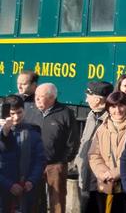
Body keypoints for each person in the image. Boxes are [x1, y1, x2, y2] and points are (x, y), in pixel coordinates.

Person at [23, 83, 80, 213]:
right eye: (36, 96)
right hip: (34, 165)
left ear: (51, 97)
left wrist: (63, 160)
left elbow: (73, 141)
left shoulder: (65, 113)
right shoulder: (30, 111)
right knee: (35, 200)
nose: (36, 99)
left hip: (55, 165)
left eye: (40, 96)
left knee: (57, 201)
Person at [88, 91, 126, 213]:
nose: (117, 110)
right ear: (108, 108)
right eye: (113, 106)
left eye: (121, 105)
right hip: (107, 185)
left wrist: (116, 173)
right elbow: (94, 154)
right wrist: (103, 173)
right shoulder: (102, 128)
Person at [0, 95, 46, 213]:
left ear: (24, 110)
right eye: (12, 114)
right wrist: (9, 185)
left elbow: (39, 160)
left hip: (25, 188)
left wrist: (31, 181)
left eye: (19, 112)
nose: (16, 117)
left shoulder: (33, 133)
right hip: (3, 189)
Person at [75, 81, 114, 213]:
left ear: (97, 99)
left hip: (101, 180)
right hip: (85, 176)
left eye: (88, 95)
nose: (86, 99)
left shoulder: (112, 120)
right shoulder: (91, 115)